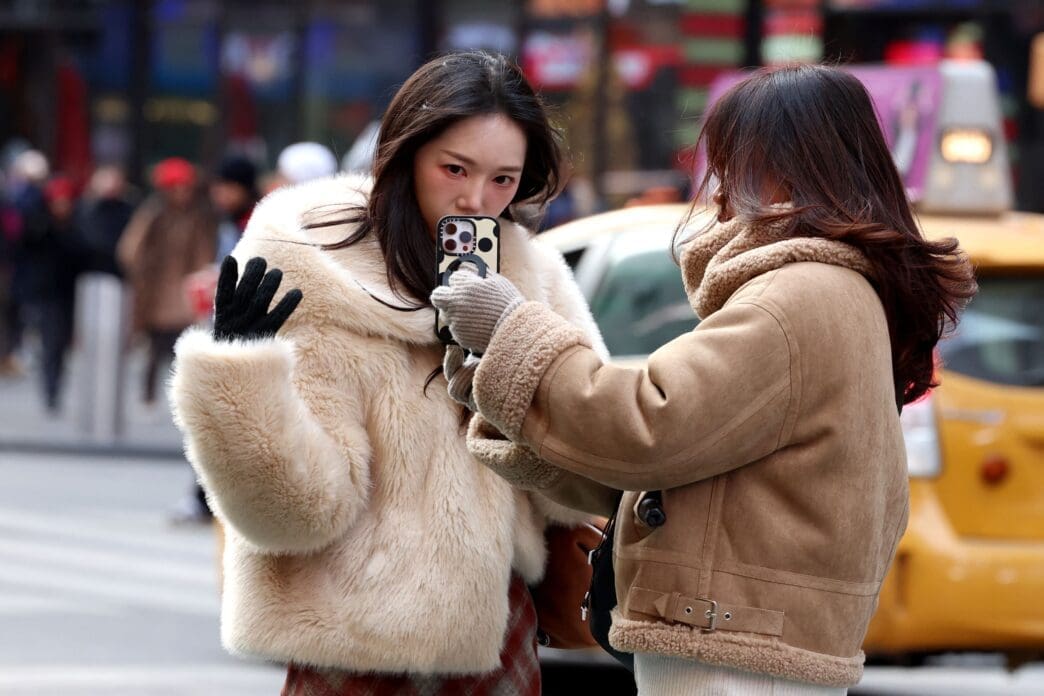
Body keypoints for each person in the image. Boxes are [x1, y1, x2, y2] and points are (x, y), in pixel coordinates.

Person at [432, 64, 978, 695]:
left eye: (731, 161)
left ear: (781, 165)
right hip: (753, 640)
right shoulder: (837, 289)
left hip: (734, 648)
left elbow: (649, 425)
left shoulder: (795, 296)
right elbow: (675, 469)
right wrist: (494, 386)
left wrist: (510, 328)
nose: (717, 189)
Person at [168, 51, 609, 694]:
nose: (474, 199)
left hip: (496, 635)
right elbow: (296, 513)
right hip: (349, 645)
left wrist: (508, 354)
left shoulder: (530, 277)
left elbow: (579, 482)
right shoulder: (317, 268)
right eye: (454, 168)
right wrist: (243, 376)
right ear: (404, 155)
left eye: (503, 179)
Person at [117, 157, 216, 406]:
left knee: (181, 347)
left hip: (183, 292)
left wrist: (201, 281)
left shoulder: (197, 216)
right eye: (177, 188)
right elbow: (130, 249)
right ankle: (148, 396)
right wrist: (141, 274)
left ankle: (181, 398)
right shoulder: (153, 213)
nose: (182, 194)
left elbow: (203, 253)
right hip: (155, 292)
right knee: (155, 347)